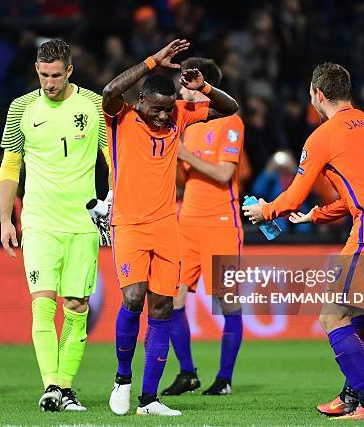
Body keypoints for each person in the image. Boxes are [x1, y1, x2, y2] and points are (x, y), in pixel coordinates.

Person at [243, 63, 364, 421]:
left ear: (318, 95)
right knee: (354, 311)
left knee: (331, 314)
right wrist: (318, 216)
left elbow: (290, 198)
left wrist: (267, 211)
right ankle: (350, 396)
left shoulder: (323, 135)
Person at [103, 39, 238, 416]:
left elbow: (231, 108)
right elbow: (111, 89)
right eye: (157, 110)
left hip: (166, 227)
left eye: (167, 110)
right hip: (128, 224)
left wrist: (202, 87)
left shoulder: (180, 113)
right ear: (141, 101)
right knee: (133, 299)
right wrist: (152, 62)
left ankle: (149, 399)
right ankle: (122, 378)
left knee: (162, 307)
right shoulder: (120, 117)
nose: (164, 117)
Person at [0, 39, 111, 413]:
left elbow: (113, 158)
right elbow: (10, 166)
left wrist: (114, 201)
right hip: (39, 221)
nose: (49, 83)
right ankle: (50, 385)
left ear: (70, 72)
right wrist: (5, 220)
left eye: (56, 75)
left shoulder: (94, 105)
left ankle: (65, 387)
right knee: (42, 304)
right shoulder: (20, 109)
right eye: (44, 75)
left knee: (77, 305)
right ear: (36, 70)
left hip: (82, 222)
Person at [161, 57, 244, 397]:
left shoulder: (230, 122)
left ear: (205, 86)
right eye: (182, 81)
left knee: (228, 303)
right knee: (171, 300)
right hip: (188, 222)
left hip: (222, 224)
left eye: (188, 81)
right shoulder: (183, 123)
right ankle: (187, 372)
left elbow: (225, 173)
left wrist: (184, 155)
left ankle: (224, 378)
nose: (182, 87)